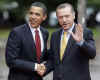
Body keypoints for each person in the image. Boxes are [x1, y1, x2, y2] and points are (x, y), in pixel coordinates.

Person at [39, 3, 96, 80]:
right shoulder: (55, 35)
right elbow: (54, 60)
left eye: (67, 16)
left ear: (74, 15)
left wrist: (81, 42)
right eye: (60, 17)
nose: (64, 20)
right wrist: (43, 69)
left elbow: (92, 54)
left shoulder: (84, 32)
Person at [5, 2, 49, 80]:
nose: (33, 17)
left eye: (37, 14)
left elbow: (41, 54)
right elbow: (11, 60)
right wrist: (35, 66)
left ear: (44, 17)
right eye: (31, 13)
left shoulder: (45, 33)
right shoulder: (17, 32)